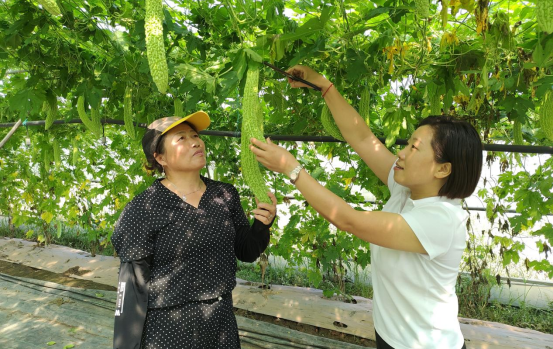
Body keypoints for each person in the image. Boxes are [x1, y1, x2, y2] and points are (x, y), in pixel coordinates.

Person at [249, 66, 482, 349]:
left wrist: (291, 168)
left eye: (414, 148)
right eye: (407, 144)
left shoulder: (442, 219)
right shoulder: (407, 190)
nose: (401, 152)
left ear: (443, 169)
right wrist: (324, 86)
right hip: (390, 336)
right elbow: (362, 139)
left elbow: (350, 221)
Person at [111, 111, 277, 349]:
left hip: (220, 323)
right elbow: (131, 289)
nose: (195, 142)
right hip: (169, 330)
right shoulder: (143, 208)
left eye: (195, 135)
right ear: (160, 158)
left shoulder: (224, 194)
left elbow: (246, 251)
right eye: (181, 139)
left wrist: (262, 225)